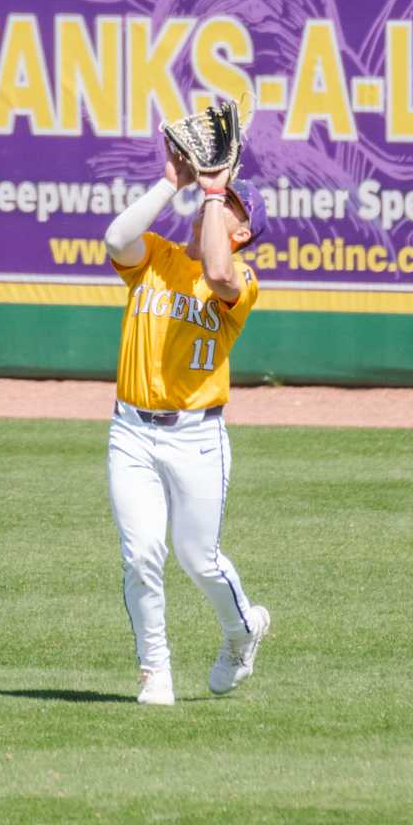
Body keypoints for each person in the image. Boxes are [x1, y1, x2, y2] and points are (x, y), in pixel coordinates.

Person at [101, 142, 270, 707]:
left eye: (229, 211)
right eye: (211, 205)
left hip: (197, 437)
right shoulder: (157, 257)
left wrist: (219, 191)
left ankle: (243, 631)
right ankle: (155, 669)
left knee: (198, 560)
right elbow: (114, 240)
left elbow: (216, 270)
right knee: (142, 552)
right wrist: (171, 182)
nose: (212, 212)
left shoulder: (241, 282)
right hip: (131, 432)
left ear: (242, 232)